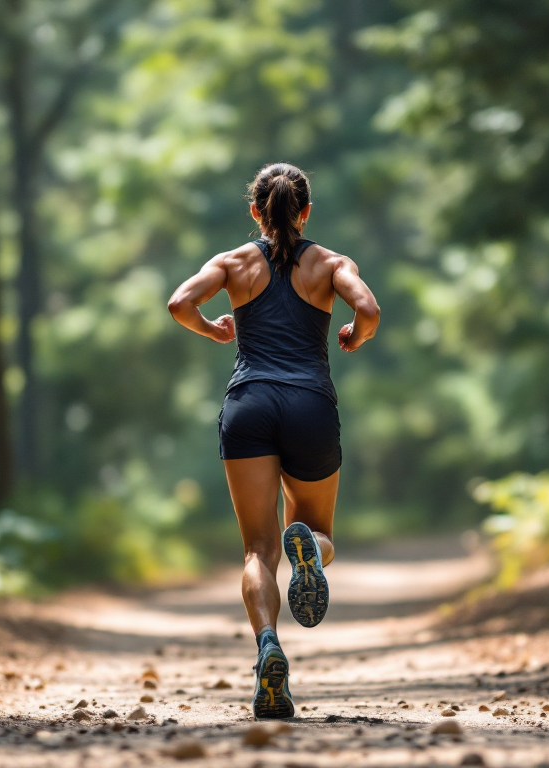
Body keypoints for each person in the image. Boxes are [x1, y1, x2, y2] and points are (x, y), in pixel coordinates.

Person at [166, 162, 380, 719]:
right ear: (305, 211)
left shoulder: (232, 262)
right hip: (310, 405)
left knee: (257, 549)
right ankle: (309, 548)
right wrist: (356, 335)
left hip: (250, 406)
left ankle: (267, 648)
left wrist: (212, 328)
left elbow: (178, 303)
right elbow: (370, 309)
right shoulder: (331, 263)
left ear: (255, 211)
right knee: (317, 529)